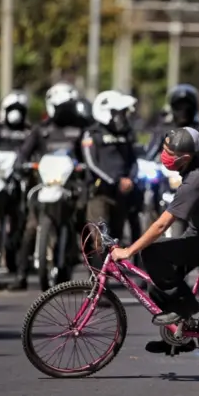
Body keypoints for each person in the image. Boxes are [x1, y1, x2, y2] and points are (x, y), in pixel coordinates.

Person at [111, 127, 199, 354]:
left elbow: (161, 225)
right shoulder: (196, 166)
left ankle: (185, 307)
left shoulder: (196, 181)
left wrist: (129, 251)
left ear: (185, 158)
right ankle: (177, 337)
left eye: (169, 152)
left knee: (151, 253)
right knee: (156, 280)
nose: (164, 154)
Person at [9, 92, 85, 290]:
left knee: (88, 229)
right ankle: (21, 274)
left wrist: (83, 168)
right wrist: (20, 164)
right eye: (62, 107)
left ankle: (96, 280)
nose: (66, 112)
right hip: (44, 188)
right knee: (30, 228)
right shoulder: (40, 130)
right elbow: (24, 152)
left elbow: (86, 155)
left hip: (69, 190)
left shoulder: (79, 129)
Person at [83, 90, 139, 268]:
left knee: (117, 238)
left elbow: (133, 160)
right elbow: (92, 163)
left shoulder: (127, 132)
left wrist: (131, 178)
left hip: (122, 194)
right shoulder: (92, 133)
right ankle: (97, 280)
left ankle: (110, 278)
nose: (122, 116)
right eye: (119, 112)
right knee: (100, 238)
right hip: (100, 193)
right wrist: (115, 181)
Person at [0, 90, 33, 276]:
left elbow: (34, 152)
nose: (16, 113)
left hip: (20, 184)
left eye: (19, 109)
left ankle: (15, 256)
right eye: (12, 109)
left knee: (20, 219)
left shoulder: (29, 131)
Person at [144, 84, 199, 160]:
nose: (183, 111)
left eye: (188, 107)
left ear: (194, 108)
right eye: (179, 106)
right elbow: (149, 155)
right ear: (172, 107)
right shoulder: (163, 129)